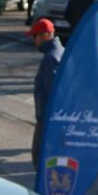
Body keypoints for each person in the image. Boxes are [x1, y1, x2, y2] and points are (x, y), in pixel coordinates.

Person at [30, 18, 63, 161]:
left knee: (38, 156)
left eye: (35, 36)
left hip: (47, 118)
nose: (33, 40)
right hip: (50, 117)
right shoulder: (59, 50)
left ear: (44, 36)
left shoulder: (50, 58)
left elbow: (55, 93)